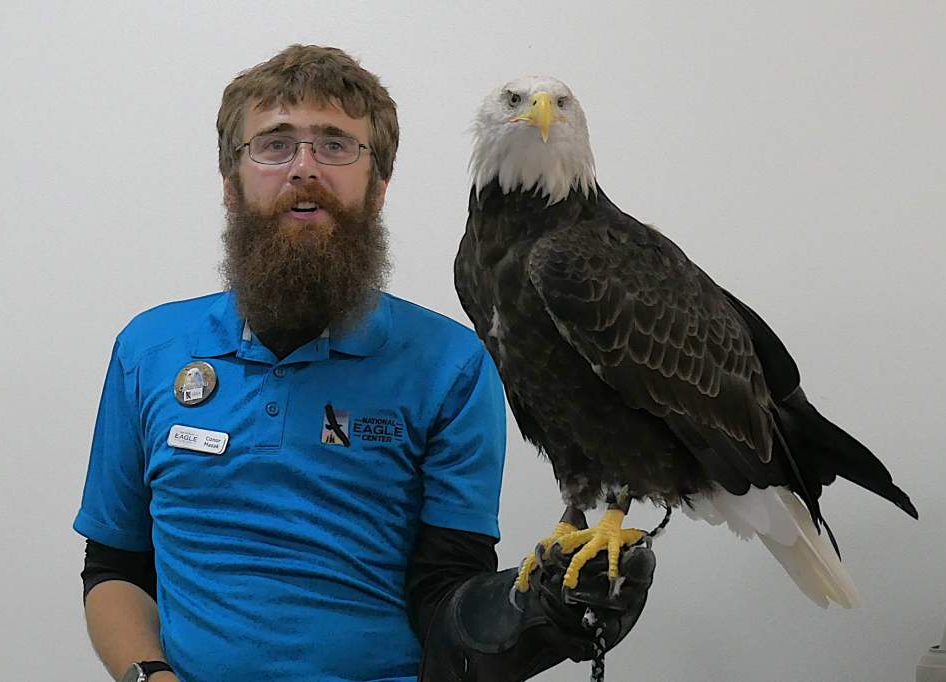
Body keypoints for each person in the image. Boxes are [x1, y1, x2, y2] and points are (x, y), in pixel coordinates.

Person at [74, 44, 655, 682]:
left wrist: (532, 617)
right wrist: (149, 677)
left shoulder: (453, 366)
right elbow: (115, 568)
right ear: (230, 185)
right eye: (274, 144)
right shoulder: (148, 350)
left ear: (379, 187)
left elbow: (445, 601)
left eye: (335, 145)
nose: (304, 168)